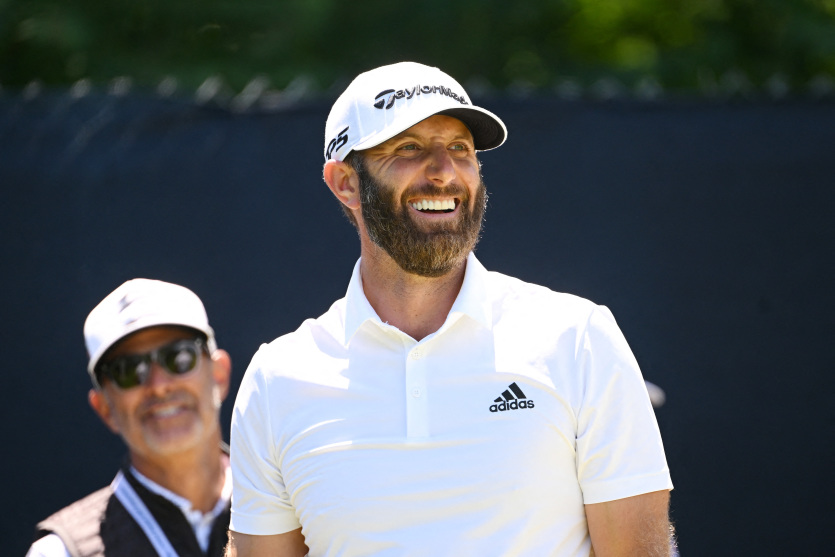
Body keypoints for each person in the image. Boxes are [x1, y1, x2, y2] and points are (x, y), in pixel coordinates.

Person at [226, 61, 675, 556]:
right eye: (409, 148)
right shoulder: (276, 379)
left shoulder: (579, 339)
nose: (444, 171)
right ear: (346, 183)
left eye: (460, 148)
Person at [27, 279, 233, 557]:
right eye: (128, 370)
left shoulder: (290, 508)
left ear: (219, 375)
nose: (159, 385)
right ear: (105, 409)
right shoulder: (60, 552)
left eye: (179, 357)